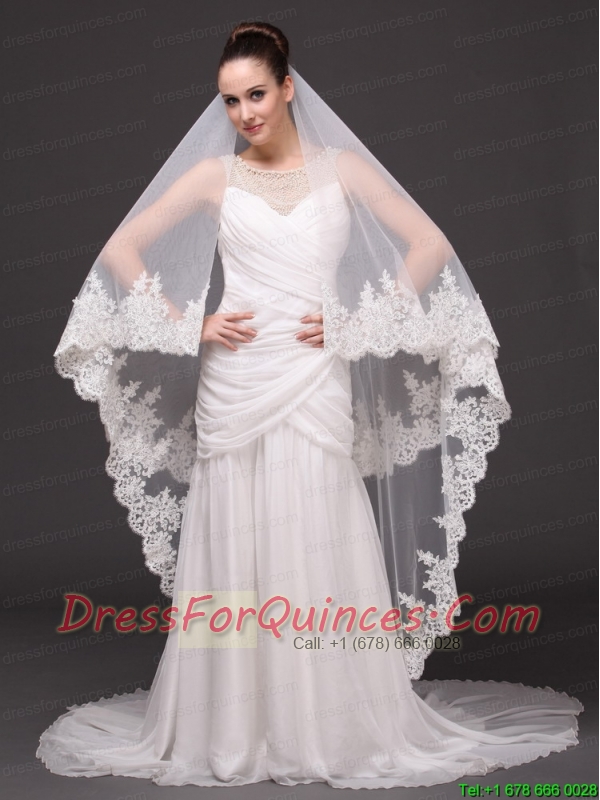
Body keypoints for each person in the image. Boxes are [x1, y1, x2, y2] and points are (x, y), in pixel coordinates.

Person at [36, 21, 583, 790]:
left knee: (317, 523)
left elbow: (428, 245)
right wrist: (187, 323)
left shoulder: (342, 168)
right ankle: (232, 725)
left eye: (257, 94)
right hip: (236, 380)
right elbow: (120, 250)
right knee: (236, 527)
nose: (245, 113)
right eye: (231, 101)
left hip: (315, 373)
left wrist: (361, 319)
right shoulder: (214, 177)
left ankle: (327, 724)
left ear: (288, 88)